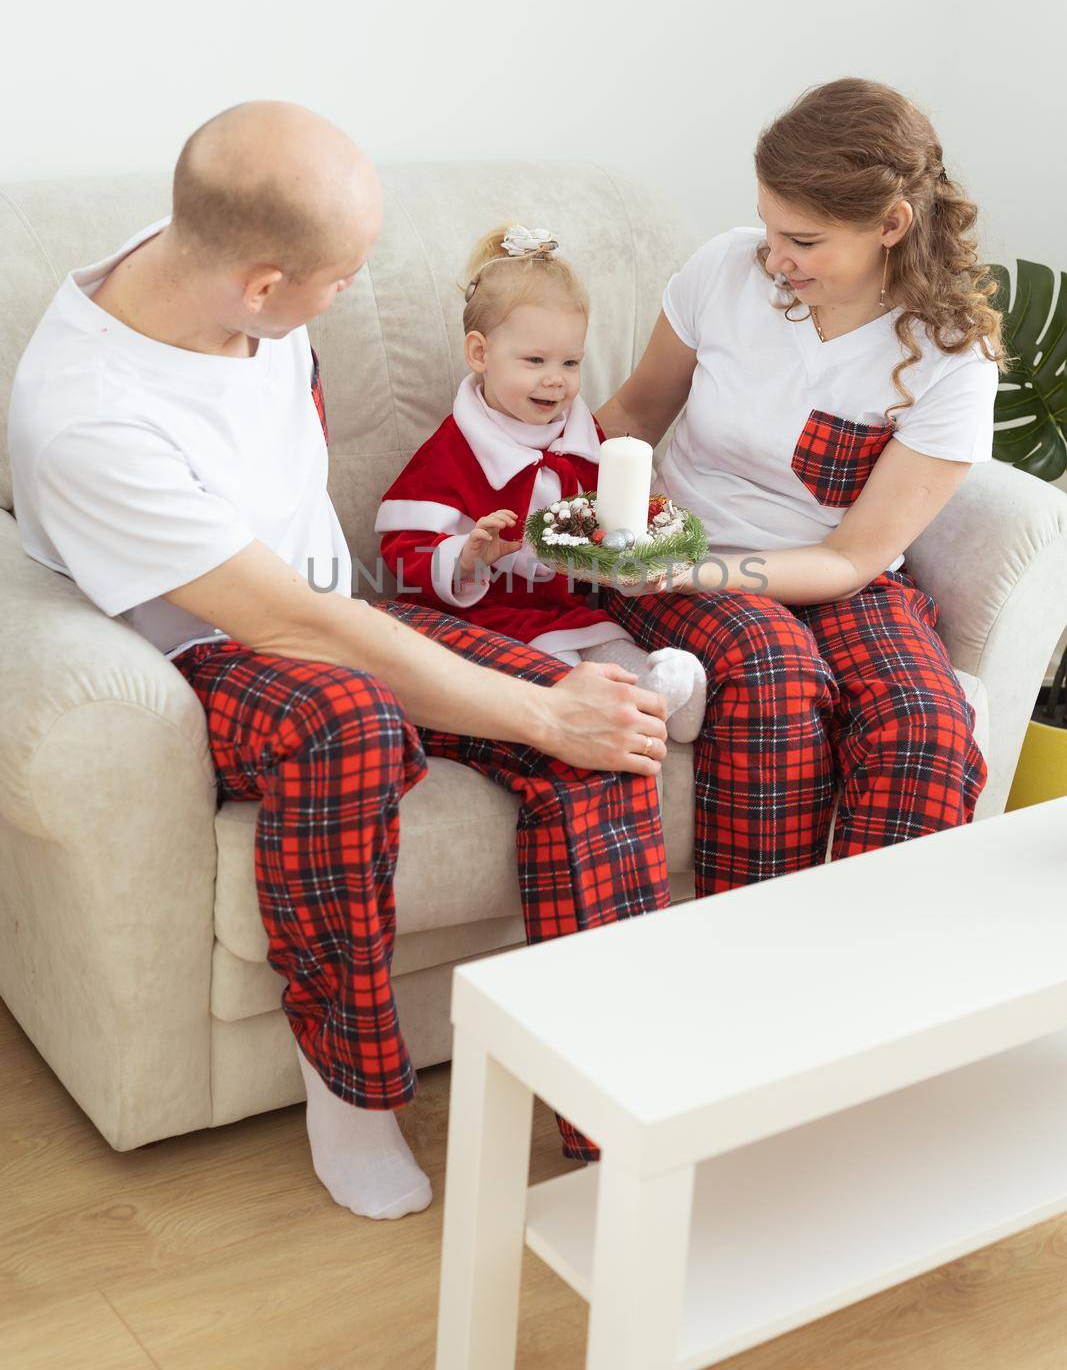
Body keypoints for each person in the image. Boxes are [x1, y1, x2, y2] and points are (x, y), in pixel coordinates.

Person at [7, 101, 673, 1220]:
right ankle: (350, 1093)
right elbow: (292, 631)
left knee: (591, 719)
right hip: (214, 650)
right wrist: (528, 713)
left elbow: (337, 604)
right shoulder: (90, 418)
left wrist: (556, 709)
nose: (358, 291)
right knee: (353, 721)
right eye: (343, 274)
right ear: (263, 286)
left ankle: (613, 1104)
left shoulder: (201, 261)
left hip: (334, 605)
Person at [593, 76, 1006, 894]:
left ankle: (861, 988)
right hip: (683, 540)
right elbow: (631, 414)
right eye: (770, 225)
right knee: (772, 668)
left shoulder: (949, 359)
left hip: (831, 575)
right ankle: (746, 957)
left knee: (923, 726)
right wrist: (549, 502)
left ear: (890, 225)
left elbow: (852, 559)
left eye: (805, 241)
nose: (774, 258)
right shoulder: (724, 270)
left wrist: (703, 575)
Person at [375, 220, 707, 741]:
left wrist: (634, 555)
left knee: (603, 644)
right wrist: (466, 555)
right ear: (480, 354)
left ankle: (664, 691)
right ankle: (632, 704)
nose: (556, 378)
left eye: (570, 362)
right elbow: (402, 545)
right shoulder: (455, 450)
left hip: (566, 609)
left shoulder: (588, 440)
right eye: (534, 361)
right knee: (561, 672)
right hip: (489, 620)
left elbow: (607, 524)